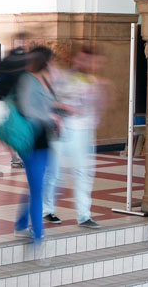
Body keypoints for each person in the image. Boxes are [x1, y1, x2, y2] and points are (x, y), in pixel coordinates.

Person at [42, 47, 109, 229]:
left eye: (90, 60)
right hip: (63, 131)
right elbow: (47, 100)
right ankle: (47, 209)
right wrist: (66, 107)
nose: (85, 63)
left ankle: (84, 215)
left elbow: (97, 107)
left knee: (83, 173)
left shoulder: (94, 81)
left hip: (85, 132)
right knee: (55, 173)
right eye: (82, 59)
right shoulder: (63, 78)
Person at [12, 46, 59, 246]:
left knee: (38, 185)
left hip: (45, 140)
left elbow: (51, 105)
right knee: (38, 188)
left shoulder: (46, 80)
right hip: (31, 141)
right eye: (52, 61)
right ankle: (38, 236)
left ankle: (21, 224)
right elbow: (27, 108)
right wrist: (49, 116)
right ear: (45, 61)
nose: (54, 65)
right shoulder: (26, 80)